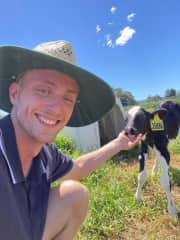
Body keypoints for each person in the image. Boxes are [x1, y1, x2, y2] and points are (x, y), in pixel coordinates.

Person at [0, 40, 141, 240]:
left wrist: (118, 143)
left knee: (75, 194)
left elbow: (78, 167)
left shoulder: (46, 153)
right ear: (15, 93)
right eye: (43, 90)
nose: (57, 109)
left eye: (68, 98)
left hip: (27, 229)